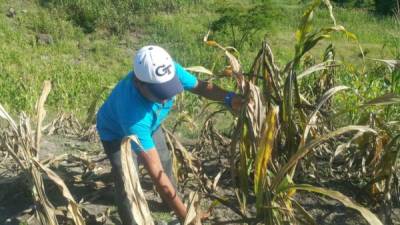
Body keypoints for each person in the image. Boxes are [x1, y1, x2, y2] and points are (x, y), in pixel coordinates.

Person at [96, 45, 243, 224]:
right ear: (138, 83)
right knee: (126, 179)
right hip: (116, 134)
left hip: (152, 124)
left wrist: (230, 98)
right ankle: (131, 220)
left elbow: (201, 87)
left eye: (169, 89)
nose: (165, 98)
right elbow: (157, 176)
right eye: (160, 93)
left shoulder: (168, 70)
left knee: (165, 160)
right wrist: (189, 218)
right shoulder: (133, 115)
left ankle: (169, 205)